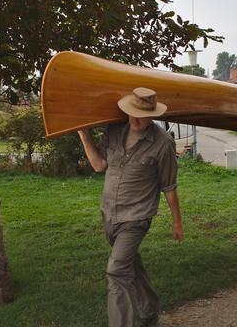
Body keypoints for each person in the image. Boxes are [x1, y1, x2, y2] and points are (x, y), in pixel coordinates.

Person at [77, 87, 184, 327]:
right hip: (109, 215)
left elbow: (169, 186)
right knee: (129, 264)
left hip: (136, 218)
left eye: (142, 115)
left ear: (152, 115)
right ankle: (150, 309)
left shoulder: (163, 143)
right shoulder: (115, 130)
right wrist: (85, 136)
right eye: (132, 113)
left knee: (116, 271)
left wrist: (177, 222)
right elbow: (98, 165)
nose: (136, 119)